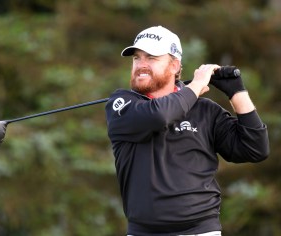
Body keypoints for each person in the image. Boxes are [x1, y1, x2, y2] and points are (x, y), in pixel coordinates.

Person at [105, 26, 269, 236]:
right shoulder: (122, 104)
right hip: (143, 232)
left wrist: (237, 92)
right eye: (137, 58)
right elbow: (159, 116)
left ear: (174, 65)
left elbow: (255, 148)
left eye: (151, 57)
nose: (141, 65)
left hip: (201, 231)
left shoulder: (205, 111)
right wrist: (197, 85)